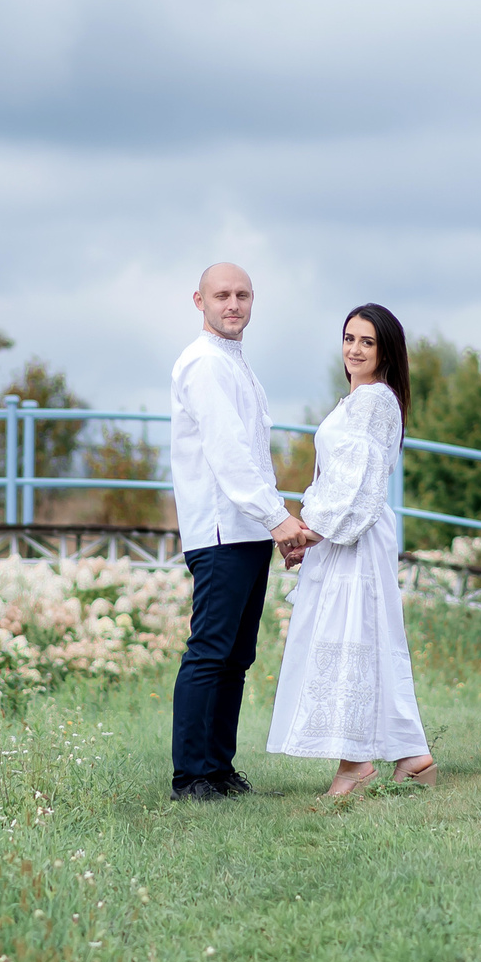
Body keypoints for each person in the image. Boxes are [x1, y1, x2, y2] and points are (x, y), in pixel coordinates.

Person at [267, 302, 435, 795]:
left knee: (350, 641)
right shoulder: (357, 400)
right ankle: (411, 752)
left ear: (385, 351)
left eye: (367, 341)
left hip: (352, 536)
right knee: (371, 638)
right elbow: (336, 476)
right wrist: (311, 530)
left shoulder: (373, 401)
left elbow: (358, 480)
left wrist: (311, 531)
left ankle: (355, 764)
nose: (354, 349)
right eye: (349, 338)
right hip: (346, 533)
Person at [169, 262, 315, 802]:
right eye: (222, 295)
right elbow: (228, 457)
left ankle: (218, 768)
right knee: (210, 651)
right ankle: (190, 777)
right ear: (199, 301)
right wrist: (278, 518)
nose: (234, 304)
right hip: (218, 530)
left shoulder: (235, 363)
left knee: (236, 656)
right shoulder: (204, 364)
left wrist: (273, 525)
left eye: (243, 295)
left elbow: (254, 457)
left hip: (246, 530)